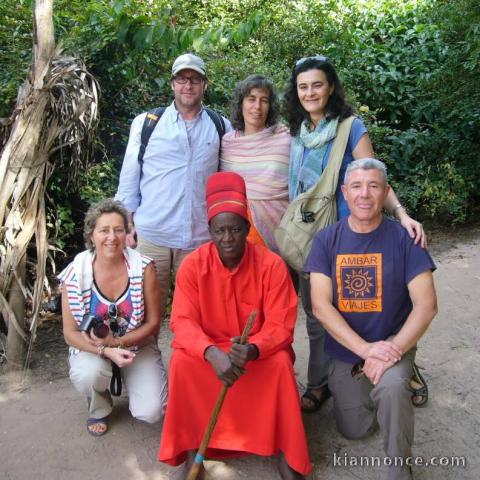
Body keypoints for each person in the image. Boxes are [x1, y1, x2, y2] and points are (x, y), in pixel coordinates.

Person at [285, 55, 428, 412]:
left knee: (380, 303)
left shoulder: (351, 127)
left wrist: (402, 214)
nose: (310, 92)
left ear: (330, 87)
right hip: (314, 238)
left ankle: (404, 363)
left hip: (356, 232)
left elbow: (375, 176)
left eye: (317, 84)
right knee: (319, 313)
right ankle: (321, 381)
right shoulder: (298, 133)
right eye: (303, 86)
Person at [158, 172, 311, 480]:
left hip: (254, 353)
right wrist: (210, 352)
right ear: (210, 231)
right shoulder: (192, 266)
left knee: (280, 363)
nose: (227, 239)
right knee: (181, 365)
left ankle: (287, 449)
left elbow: (282, 324)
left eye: (235, 230)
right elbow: (182, 321)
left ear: (247, 228)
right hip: (210, 352)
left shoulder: (271, 264)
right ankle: (191, 447)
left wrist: (255, 349)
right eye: (219, 231)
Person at [305, 159, 437, 480]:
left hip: (394, 343)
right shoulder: (325, 240)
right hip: (348, 352)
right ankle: (379, 384)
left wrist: (391, 351)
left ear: (386, 192)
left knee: (391, 388)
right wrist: (365, 351)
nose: (365, 194)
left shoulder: (405, 238)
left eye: (374, 186)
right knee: (356, 430)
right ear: (344, 194)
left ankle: (398, 469)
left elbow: (426, 306)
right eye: (356, 186)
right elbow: (320, 306)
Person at [115, 53, 232, 319]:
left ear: (205, 84)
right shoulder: (146, 123)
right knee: (143, 313)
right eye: (181, 78)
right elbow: (129, 177)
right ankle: (145, 361)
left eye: (195, 79)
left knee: (199, 314)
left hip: (200, 238)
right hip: (151, 235)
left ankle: (191, 361)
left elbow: (227, 179)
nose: (188, 85)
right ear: (172, 84)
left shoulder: (220, 125)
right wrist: (125, 225)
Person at [59, 199, 168, 436]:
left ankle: (134, 379)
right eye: (104, 230)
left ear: (127, 233)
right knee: (89, 373)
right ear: (91, 235)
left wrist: (118, 343)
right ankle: (99, 406)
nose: (112, 237)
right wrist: (107, 350)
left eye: (119, 230)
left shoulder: (143, 267)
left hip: (136, 344)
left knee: (152, 410)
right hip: (94, 349)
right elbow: (70, 333)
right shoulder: (75, 273)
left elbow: (152, 322)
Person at [220, 74, 290, 253]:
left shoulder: (286, 139)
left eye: (264, 100)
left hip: (281, 234)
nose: (257, 107)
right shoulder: (228, 143)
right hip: (238, 237)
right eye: (251, 99)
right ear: (241, 103)